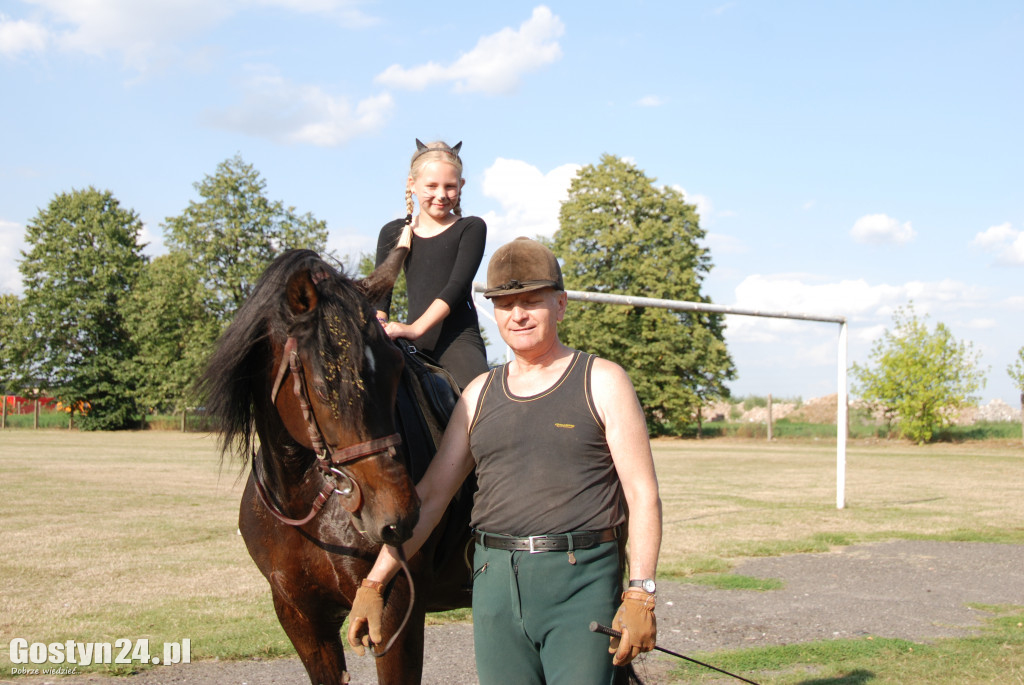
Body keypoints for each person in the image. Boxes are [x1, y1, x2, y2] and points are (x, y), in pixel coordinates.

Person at [348, 237, 663, 684]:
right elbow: (433, 496)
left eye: (531, 301)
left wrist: (641, 592)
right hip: (493, 582)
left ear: (561, 304)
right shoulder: (477, 395)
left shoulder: (603, 381)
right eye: (504, 304)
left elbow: (643, 495)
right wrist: (375, 583)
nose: (517, 314)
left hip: (581, 579)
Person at [374, 139, 488, 389]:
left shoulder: (470, 228)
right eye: (431, 186)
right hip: (409, 339)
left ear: (461, 185)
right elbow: (380, 296)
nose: (441, 195)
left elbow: (457, 286)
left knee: (481, 400)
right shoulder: (392, 232)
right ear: (412, 185)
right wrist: (381, 329)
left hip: (457, 341)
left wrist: (414, 329)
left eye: (449, 186)